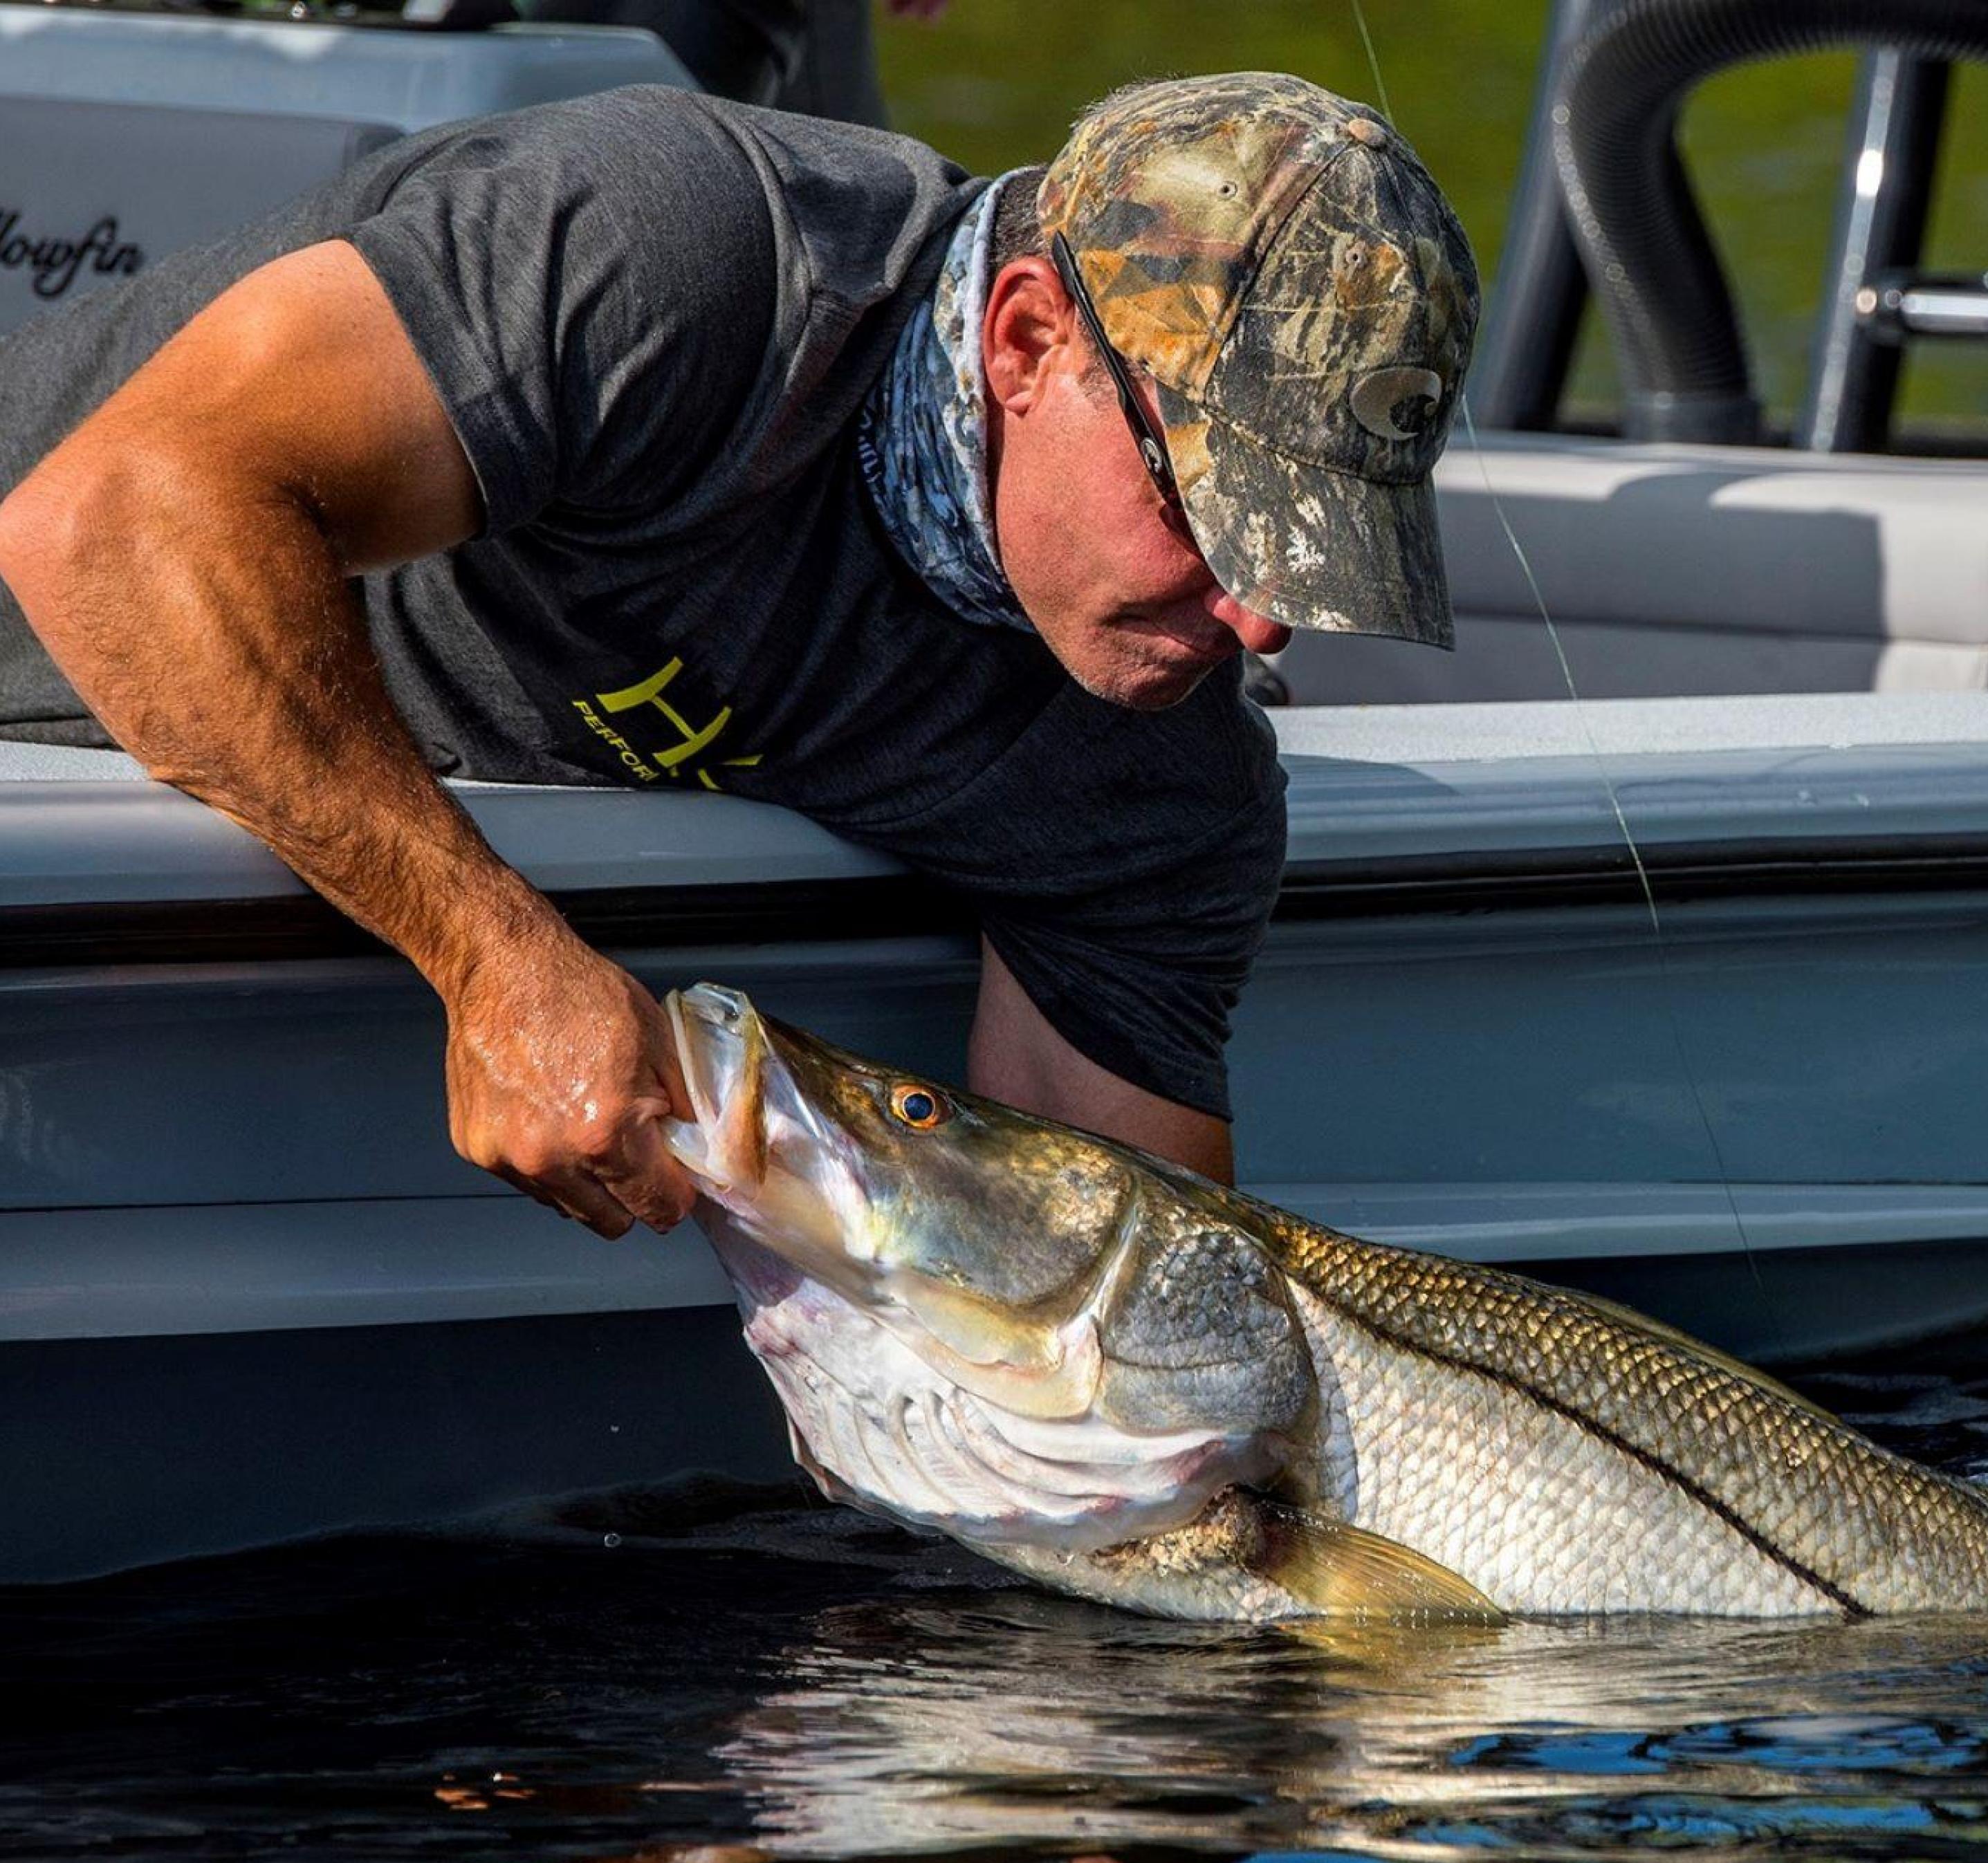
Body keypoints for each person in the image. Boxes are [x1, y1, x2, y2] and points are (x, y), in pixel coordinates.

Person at [0, 71, 1478, 1239]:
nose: (1261, 623)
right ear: (1029, 344)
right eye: (1217, 517)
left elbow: (1119, 1319)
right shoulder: (688, 258)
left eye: (1307, 551)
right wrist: (493, 959)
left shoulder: (1157, 782)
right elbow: (106, 525)